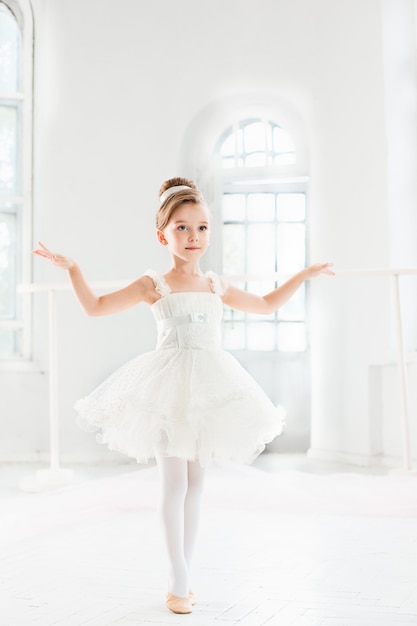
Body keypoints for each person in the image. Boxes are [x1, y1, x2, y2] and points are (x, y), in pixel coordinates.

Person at [33, 177, 334, 615]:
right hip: (167, 388)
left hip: (208, 387)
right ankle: (177, 580)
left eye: (202, 228)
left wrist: (304, 274)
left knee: (197, 484)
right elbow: (95, 308)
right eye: (182, 228)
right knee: (174, 483)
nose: (193, 237)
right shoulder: (153, 283)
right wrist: (75, 269)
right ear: (162, 235)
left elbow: (267, 304)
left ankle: (185, 574)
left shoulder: (216, 285)